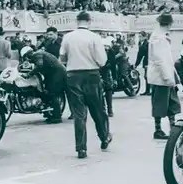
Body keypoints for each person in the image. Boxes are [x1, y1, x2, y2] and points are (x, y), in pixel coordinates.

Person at [60, 11, 112, 159]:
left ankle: (81, 148)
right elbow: (102, 60)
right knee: (98, 110)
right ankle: (104, 137)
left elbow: (62, 58)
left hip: (73, 76)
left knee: (79, 114)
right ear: (89, 22)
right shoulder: (94, 37)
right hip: (92, 76)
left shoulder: (67, 37)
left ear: (77, 21)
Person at [147, 12, 181, 140]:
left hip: (166, 76)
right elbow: (160, 60)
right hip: (161, 77)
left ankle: (172, 128)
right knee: (160, 105)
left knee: (172, 103)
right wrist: (168, 77)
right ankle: (158, 129)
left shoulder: (160, 36)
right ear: (169, 24)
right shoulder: (159, 38)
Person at [20, 46, 67, 124]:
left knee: (53, 93)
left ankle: (57, 117)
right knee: (45, 91)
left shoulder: (36, 55)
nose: (26, 59)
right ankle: (49, 113)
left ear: (28, 54)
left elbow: (40, 65)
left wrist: (29, 74)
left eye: (25, 57)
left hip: (57, 72)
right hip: (51, 73)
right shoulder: (37, 55)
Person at [101, 38, 115, 117]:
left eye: (106, 46)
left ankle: (110, 109)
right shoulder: (98, 52)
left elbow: (113, 65)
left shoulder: (111, 52)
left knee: (108, 89)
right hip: (99, 71)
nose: (105, 48)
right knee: (99, 90)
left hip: (107, 72)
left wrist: (115, 78)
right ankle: (103, 108)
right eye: (104, 46)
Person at [135, 31, 150, 96]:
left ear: (144, 37)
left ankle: (149, 91)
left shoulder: (147, 43)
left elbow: (149, 54)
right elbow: (139, 55)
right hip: (145, 61)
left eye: (140, 36)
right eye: (139, 36)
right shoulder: (140, 43)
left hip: (149, 62)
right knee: (146, 76)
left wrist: (148, 63)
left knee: (148, 76)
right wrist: (136, 64)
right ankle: (147, 90)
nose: (139, 38)